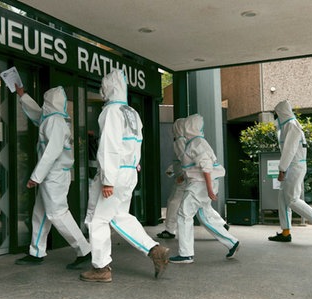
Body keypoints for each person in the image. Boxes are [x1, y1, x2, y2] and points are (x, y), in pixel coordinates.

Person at [79, 70, 169, 282]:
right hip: (128, 171)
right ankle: (155, 250)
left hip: (114, 173)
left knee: (97, 220)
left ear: (108, 88)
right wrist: (133, 166)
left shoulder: (111, 111)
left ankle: (101, 268)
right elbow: (135, 143)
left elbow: (109, 146)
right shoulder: (132, 113)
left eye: (103, 87)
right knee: (119, 216)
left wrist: (108, 179)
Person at [14, 84, 91, 269]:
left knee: (57, 214)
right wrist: (23, 96)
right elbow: (37, 114)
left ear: (48, 101)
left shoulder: (54, 121)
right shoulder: (53, 118)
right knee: (40, 214)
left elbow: (51, 152)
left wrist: (36, 176)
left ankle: (85, 249)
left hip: (53, 176)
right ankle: (36, 252)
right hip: (53, 175)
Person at [169, 114, 239, 264]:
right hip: (200, 183)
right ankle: (232, 242)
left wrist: (208, 189)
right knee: (204, 215)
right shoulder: (196, 142)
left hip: (199, 185)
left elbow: (206, 166)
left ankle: (186, 254)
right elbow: (197, 166)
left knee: (184, 214)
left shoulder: (196, 143)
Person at [267, 100, 312, 243]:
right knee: (282, 199)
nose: (277, 116)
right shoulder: (288, 126)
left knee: (292, 199)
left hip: (293, 167)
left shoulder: (292, 126)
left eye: (277, 113)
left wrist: (282, 170)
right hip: (292, 166)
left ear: (282, 113)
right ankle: (285, 232)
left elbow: (289, 150)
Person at [157, 118, 187, 239]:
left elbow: (185, 159)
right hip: (185, 177)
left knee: (173, 202)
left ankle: (169, 230)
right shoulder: (186, 140)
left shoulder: (180, 141)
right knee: (201, 205)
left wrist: (183, 175)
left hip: (183, 179)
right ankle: (220, 225)